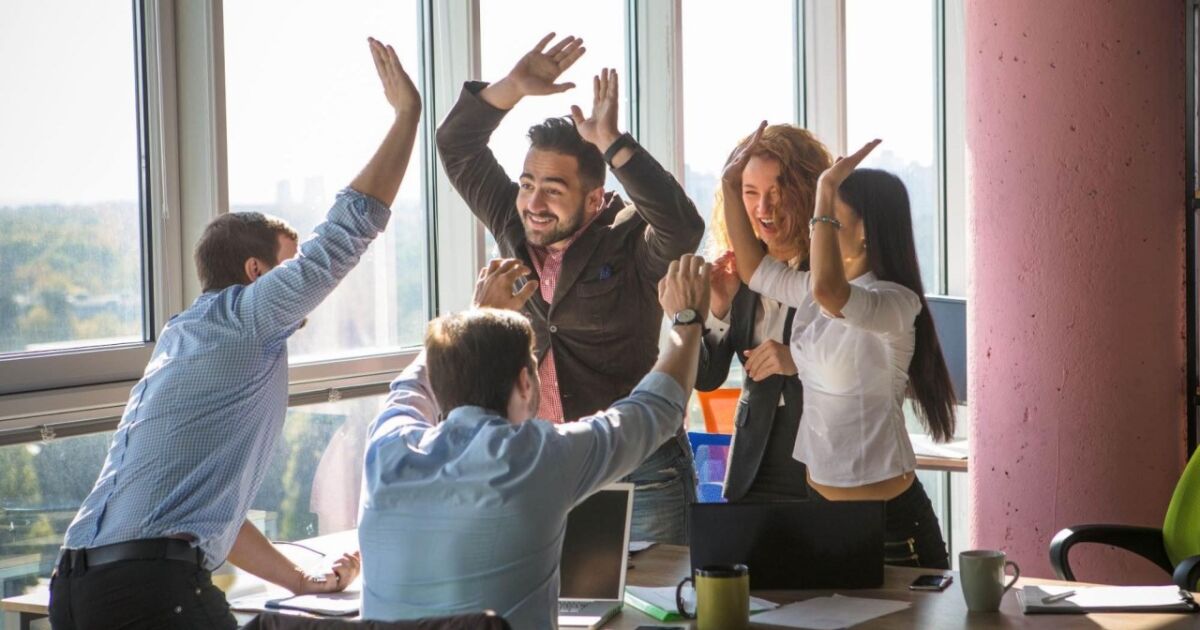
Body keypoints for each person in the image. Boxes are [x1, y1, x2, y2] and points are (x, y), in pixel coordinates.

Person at [49, 37, 422, 628]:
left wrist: (300, 580)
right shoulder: (246, 317)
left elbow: (202, 518)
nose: (303, 287)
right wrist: (407, 118)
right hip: (150, 586)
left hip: (81, 587)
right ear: (256, 273)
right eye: (289, 264)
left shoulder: (183, 338)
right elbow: (347, 234)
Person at [435, 33, 705, 543]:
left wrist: (614, 144)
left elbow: (681, 227)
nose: (534, 202)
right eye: (527, 183)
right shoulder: (515, 225)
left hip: (639, 466)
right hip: (543, 461)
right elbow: (457, 146)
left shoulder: (626, 235)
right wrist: (512, 86)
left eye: (553, 191)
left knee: (662, 611)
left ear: (594, 198)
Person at [357, 255, 710, 629]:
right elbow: (654, 410)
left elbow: (410, 385)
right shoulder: (533, 458)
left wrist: (475, 322)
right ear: (526, 382)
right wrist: (687, 320)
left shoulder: (386, 448)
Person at [722, 123, 957, 569]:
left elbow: (834, 295)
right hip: (820, 512)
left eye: (828, 222)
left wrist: (826, 185)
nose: (817, 233)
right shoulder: (814, 291)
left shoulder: (893, 303)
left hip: (890, 526)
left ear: (865, 231)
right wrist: (730, 186)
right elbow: (754, 270)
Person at [697, 124, 831, 501]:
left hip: (823, 456)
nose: (762, 209)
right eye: (750, 193)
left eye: (776, 193)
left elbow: (863, 359)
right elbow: (706, 379)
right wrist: (717, 311)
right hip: (753, 464)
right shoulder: (733, 270)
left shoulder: (834, 270)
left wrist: (797, 360)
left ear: (807, 193)